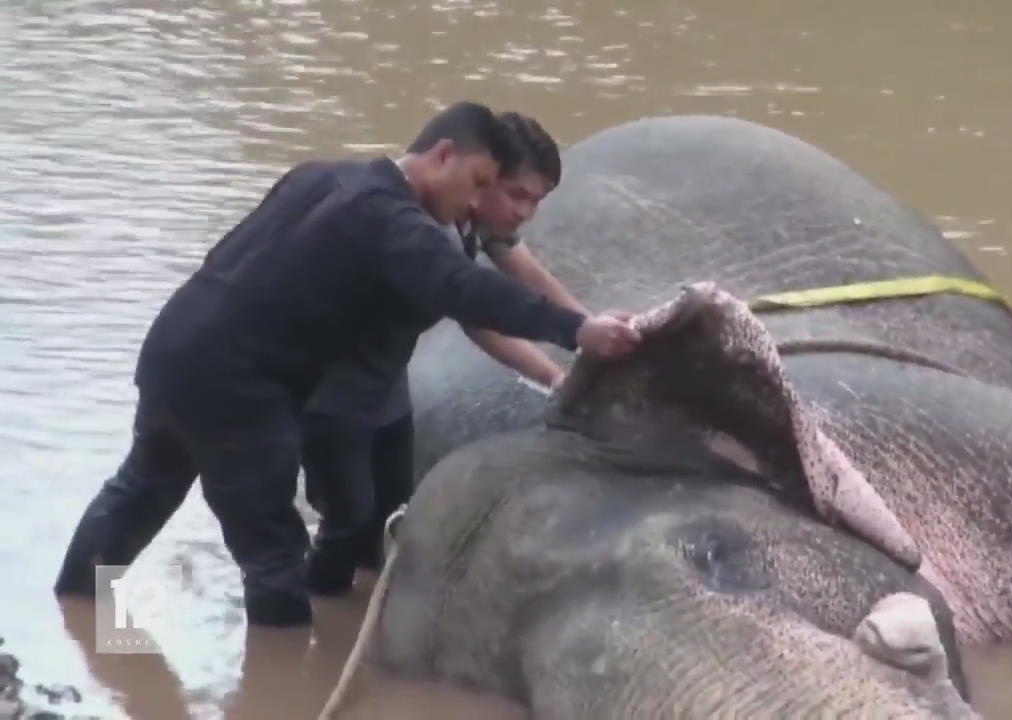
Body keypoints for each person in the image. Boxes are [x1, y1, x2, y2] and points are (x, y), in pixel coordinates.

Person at [52, 101, 641, 627]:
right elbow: (467, 293)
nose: (474, 203)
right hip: (241, 389)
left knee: (141, 492)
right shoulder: (391, 221)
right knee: (274, 554)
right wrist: (577, 330)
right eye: (479, 183)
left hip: (176, 350)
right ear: (442, 157)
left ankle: (85, 623)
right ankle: (278, 683)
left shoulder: (325, 175)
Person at [300, 110, 588, 595]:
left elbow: (525, 270)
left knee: (389, 508)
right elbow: (479, 320)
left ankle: (356, 610)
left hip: (384, 384)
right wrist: (558, 375)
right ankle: (302, 630)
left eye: (535, 202)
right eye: (515, 195)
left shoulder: (470, 220)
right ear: (483, 176)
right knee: (344, 521)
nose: (522, 212)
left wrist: (592, 328)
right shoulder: (423, 232)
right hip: (333, 391)